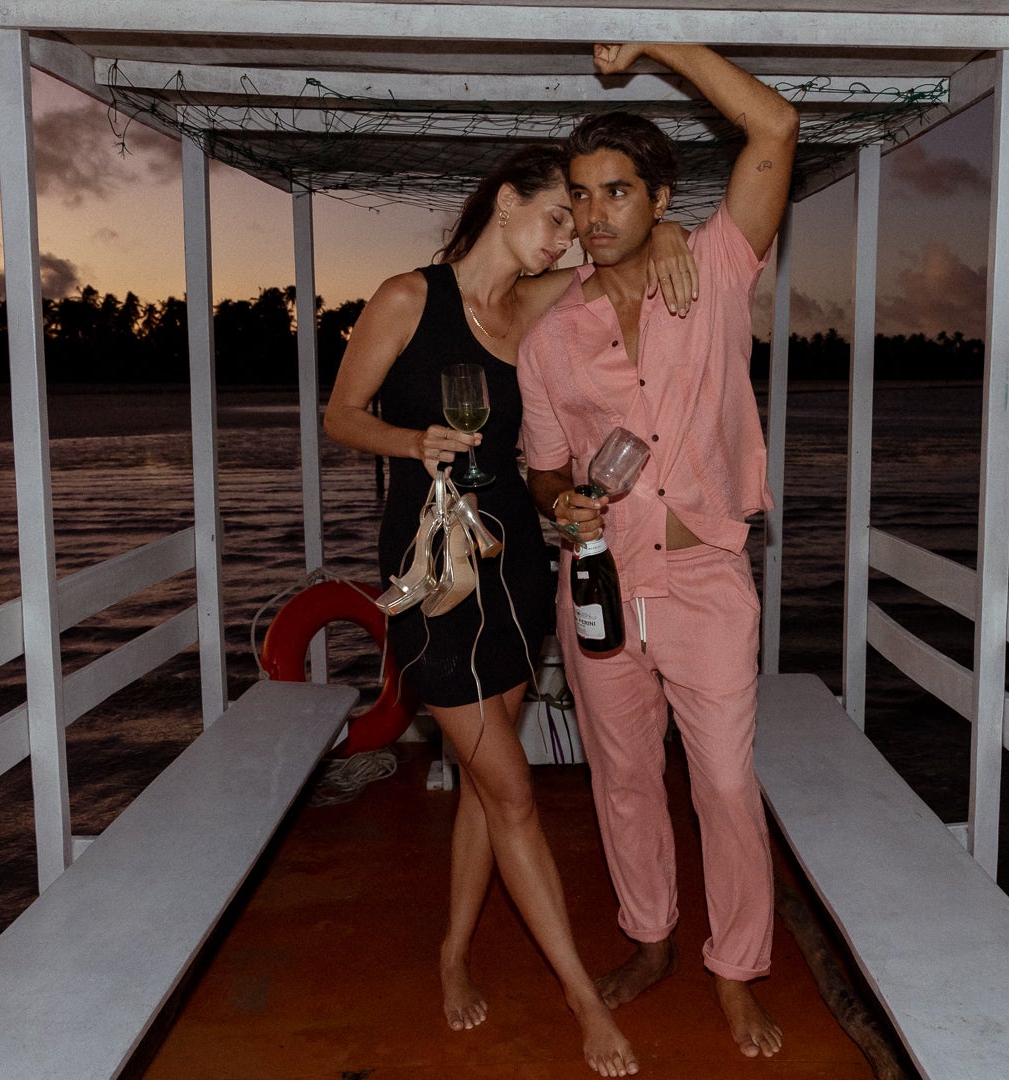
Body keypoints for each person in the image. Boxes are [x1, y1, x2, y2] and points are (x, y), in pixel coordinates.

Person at [323, 144, 694, 1077]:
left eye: (576, 222)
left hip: (517, 569)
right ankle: (581, 1000)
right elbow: (339, 413)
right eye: (556, 216)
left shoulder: (531, 305)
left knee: (490, 794)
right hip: (433, 572)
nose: (567, 236)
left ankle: (453, 954)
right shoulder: (409, 297)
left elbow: (628, 256)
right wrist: (412, 441)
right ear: (504, 200)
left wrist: (676, 225)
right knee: (516, 794)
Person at [518, 43, 799, 1059]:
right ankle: (651, 938)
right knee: (623, 777)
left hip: (704, 577)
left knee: (723, 781)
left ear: (661, 197)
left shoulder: (715, 268)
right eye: (581, 196)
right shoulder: (552, 338)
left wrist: (658, 39)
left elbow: (774, 130)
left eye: (618, 192)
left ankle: (737, 970)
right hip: (598, 580)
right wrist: (562, 509)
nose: (594, 215)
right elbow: (542, 467)